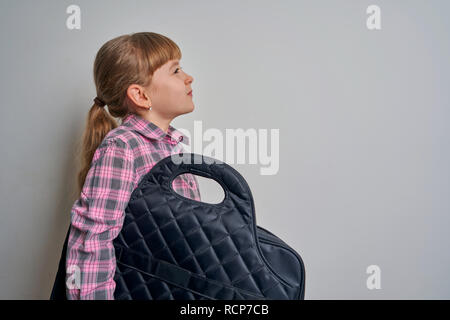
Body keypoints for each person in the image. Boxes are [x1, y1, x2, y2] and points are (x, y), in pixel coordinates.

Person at [65, 32, 201, 300]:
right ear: (140, 95)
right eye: (175, 70)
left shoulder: (171, 147)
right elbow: (93, 241)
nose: (188, 77)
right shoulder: (123, 147)